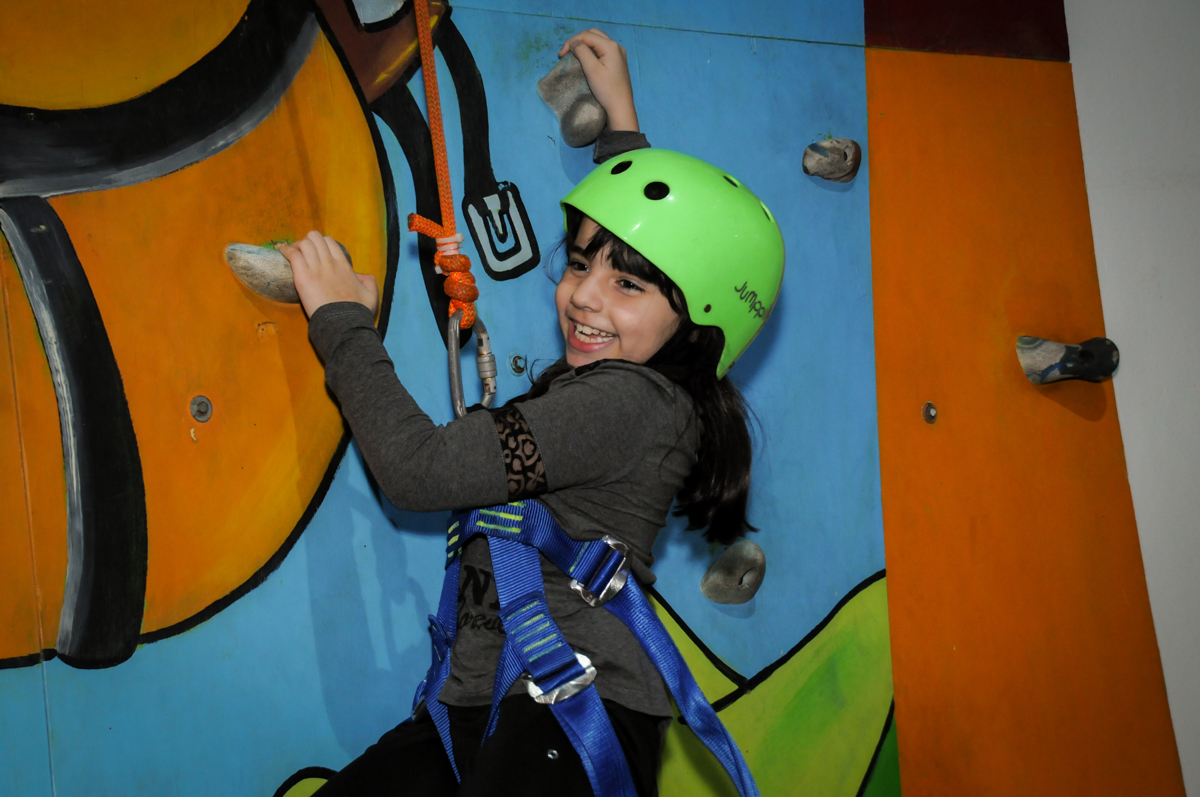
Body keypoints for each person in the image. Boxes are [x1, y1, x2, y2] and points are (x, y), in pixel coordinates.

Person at [278, 28, 784, 797]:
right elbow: (670, 256)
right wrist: (621, 129)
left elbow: (419, 470)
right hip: (487, 706)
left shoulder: (628, 402)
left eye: (627, 285)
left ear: (699, 325)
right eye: (581, 262)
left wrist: (341, 322)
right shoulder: (616, 386)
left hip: (566, 713)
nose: (584, 294)